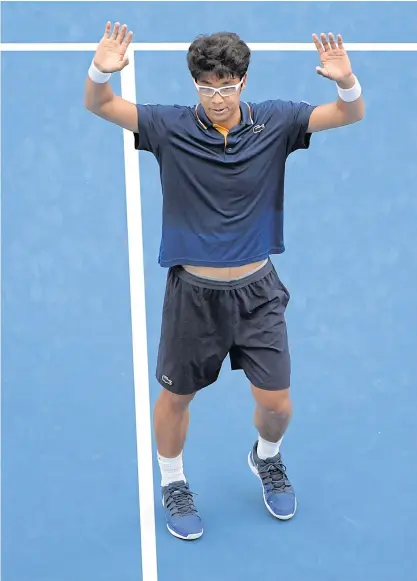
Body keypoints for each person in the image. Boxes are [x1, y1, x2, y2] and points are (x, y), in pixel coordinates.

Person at [85, 22, 365, 541]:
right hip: (193, 296)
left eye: (227, 86)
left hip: (258, 290)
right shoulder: (168, 127)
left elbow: (350, 112)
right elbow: (100, 105)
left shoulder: (278, 122)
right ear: (195, 84)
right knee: (176, 399)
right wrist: (101, 70)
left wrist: (346, 82)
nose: (218, 97)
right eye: (207, 87)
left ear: (243, 80)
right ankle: (173, 482)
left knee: (277, 404)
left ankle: (267, 457)